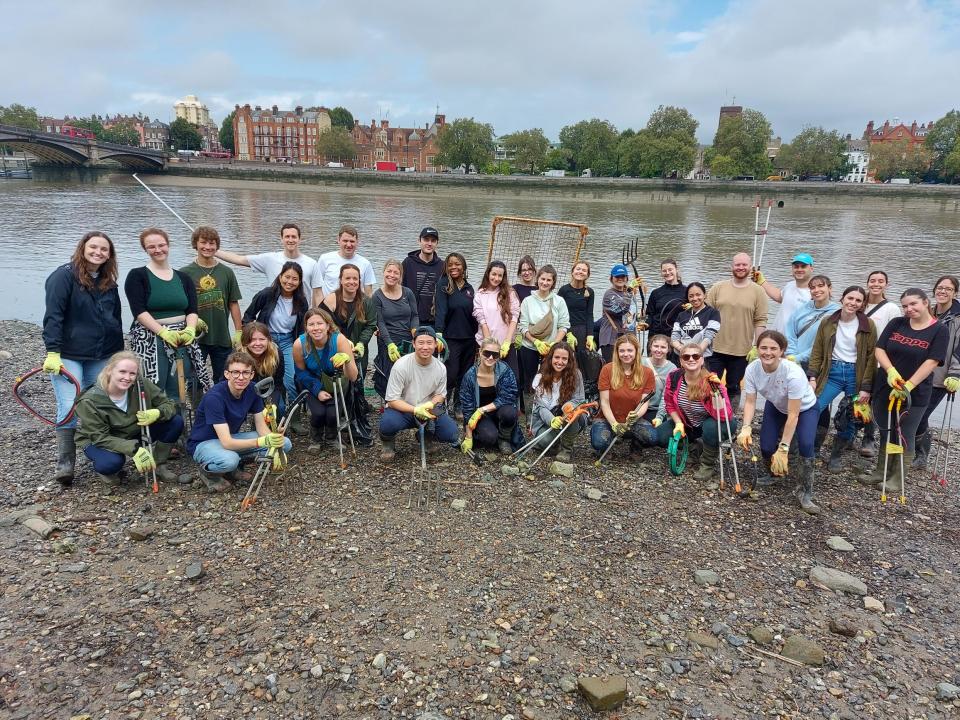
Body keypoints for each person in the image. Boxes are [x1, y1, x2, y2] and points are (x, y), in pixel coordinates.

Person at [42, 231, 124, 486]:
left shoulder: (109, 282)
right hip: (69, 354)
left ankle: (100, 455)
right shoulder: (63, 276)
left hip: (101, 354)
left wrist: (119, 355)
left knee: (97, 404)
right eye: (93, 247)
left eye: (104, 249)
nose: (98, 252)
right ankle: (65, 462)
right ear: (83, 248)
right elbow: (53, 315)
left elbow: (116, 319)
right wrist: (53, 351)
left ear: (109, 255)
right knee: (69, 404)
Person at [859, 288, 950, 492]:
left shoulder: (939, 330)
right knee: (885, 430)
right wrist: (891, 371)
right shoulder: (897, 323)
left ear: (926, 303)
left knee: (904, 433)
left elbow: (932, 361)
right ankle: (881, 471)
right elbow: (879, 349)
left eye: (913, 304)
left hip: (914, 393)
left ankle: (897, 477)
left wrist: (908, 386)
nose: (909, 309)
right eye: (905, 305)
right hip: (885, 387)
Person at [125, 227, 211, 403]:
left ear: (168, 245)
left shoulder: (183, 278)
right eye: (151, 247)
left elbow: (192, 310)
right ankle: (152, 426)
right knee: (154, 387)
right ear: (145, 249)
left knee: (178, 387)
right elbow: (139, 311)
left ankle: (177, 427)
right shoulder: (137, 275)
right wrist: (162, 332)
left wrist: (190, 330)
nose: (157, 250)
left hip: (181, 338)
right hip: (151, 338)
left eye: (161, 245)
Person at [75, 351, 184, 489]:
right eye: (122, 372)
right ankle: (105, 469)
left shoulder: (141, 385)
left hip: (133, 430)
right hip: (100, 440)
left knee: (175, 422)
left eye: (132, 373)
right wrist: (135, 449)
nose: (127, 377)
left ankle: (158, 464)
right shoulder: (89, 400)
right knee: (111, 463)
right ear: (109, 371)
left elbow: (169, 404)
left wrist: (158, 412)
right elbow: (99, 437)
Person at [739, 331, 821, 513]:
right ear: (757, 349)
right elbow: (750, 401)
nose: (768, 353)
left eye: (773, 349)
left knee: (807, 445)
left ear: (782, 351)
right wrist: (746, 427)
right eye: (763, 348)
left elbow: (793, 415)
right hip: (776, 404)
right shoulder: (752, 369)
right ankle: (774, 473)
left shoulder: (793, 372)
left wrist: (784, 446)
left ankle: (805, 493)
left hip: (804, 408)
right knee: (767, 446)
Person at [187, 351, 293, 492]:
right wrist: (261, 443)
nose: (241, 377)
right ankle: (209, 474)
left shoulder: (252, 390)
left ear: (252, 375)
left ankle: (233, 470)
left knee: (284, 443)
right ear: (227, 374)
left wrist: (273, 442)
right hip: (204, 443)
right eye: (235, 372)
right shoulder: (214, 397)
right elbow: (227, 442)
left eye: (245, 373)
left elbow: (261, 428)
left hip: (230, 439)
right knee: (229, 460)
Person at [806, 285, 877, 473]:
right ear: (842, 299)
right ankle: (811, 449)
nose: (853, 303)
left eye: (858, 300)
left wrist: (866, 387)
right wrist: (812, 376)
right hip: (832, 372)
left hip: (856, 374)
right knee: (814, 407)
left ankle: (836, 455)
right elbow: (817, 351)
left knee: (850, 416)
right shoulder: (828, 321)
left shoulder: (868, 325)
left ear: (862, 304)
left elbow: (872, 357)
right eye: (850, 298)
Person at [657, 344, 737, 483]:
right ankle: (694, 448)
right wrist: (678, 423)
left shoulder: (712, 381)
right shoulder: (674, 377)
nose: (691, 359)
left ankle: (707, 464)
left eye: (696, 356)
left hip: (713, 423)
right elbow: (669, 404)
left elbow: (724, 416)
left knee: (712, 428)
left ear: (702, 360)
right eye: (686, 356)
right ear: (681, 361)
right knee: (660, 436)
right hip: (687, 423)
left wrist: (715, 395)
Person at [242, 261, 309, 424]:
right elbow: (248, 317)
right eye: (287, 277)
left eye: (295, 279)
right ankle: (264, 415)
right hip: (267, 339)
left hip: (288, 341)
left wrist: (302, 347)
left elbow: (302, 328)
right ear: (280, 277)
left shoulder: (301, 301)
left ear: (299, 282)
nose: (290, 282)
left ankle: (294, 419)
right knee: (266, 376)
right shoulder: (266, 294)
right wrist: (252, 337)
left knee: (292, 379)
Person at [380, 326, 459, 461]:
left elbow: (440, 395)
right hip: (404, 409)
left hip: (427, 410)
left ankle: (426, 435)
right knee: (387, 424)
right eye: (421, 343)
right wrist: (416, 409)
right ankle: (388, 442)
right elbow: (392, 400)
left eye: (429, 343)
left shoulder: (440, 368)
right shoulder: (401, 366)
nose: (425, 347)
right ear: (414, 344)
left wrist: (429, 405)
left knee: (451, 434)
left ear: (435, 344)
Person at [321, 263, 378, 445]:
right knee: (339, 385)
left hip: (358, 351)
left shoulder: (366, 301)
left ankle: (356, 423)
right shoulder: (331, 299)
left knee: (356, 386)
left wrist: (362, 343)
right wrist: (342, 340)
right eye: (348, 278)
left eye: (355, 278)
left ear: (359, 280)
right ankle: (334, 423)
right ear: (341, 280)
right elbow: (322, 323)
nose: (352, 282)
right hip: (336, 350)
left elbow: (371, 325)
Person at [179, 225, 242, 381]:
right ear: (196, 244)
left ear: (217, 246)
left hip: (221, 336)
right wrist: (189, 322)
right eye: (203, 242)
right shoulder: (184, 273)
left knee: (224, 378)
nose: (207, 247)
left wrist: (238, 332)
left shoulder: (227, 272)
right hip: (195, 337)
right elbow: (180, 305)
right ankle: (196, 404)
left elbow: (233, 303)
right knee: (194, 379)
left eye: (212, 243)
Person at [293, 308, 360, 451]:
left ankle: (331, 438)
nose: (316, 328)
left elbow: (353, 376)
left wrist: (347, 361)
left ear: (328, 325)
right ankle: (315, 438)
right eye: (311, 324)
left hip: (336, 381)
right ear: (306, 327)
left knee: (332, 414)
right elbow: (301, 373)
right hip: (311, 382)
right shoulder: (299, 344)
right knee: (318, 413)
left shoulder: (340, 340)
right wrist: (317, 391)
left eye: (320, 323)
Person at [706, 252, 768, 404]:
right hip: (715, 348)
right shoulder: (718, 287)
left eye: (744, 265)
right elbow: (705, 314)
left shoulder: (758, 291)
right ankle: (707, 416)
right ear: (731, 267)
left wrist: (757, 346)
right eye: (737, 265)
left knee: (733, 386)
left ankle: (730, 417)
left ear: (750, 267)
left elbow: (760, 321)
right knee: (708, 385)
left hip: (742, 351)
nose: (741, 268)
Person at [912, 276, 960, 468]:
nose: (943, 291)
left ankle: (921, 455)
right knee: (911, 412)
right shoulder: (927, 312)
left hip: (940, 375)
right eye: (940, 287)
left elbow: (959, 349)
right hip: (917, 373)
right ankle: (912, 450)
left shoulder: (958, 318)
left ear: (955, 293)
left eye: (948, 289)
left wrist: (955, 375)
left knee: (921, 414)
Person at [859, 270, 903, 458]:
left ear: (887, 284)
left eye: (881, 281)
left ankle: (869, 437)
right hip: (858, 359)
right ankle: (850, 432)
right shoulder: (860, 303)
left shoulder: (891, 308)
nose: (876, 284)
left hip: (878, 362)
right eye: (872, 280)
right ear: (867, 283)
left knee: (873, 400)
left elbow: (895, 336)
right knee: (856, 398)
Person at [591, 334, 656, 458]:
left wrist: (636, 416)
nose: (626, 354)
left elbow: (644, 402)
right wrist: (614, 423)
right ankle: (606, 445)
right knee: (599, 442)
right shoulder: (607, 369)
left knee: (652, 437)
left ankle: (635, 446)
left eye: (630, 350)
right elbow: (604, 402)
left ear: (637, 351)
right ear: (617, 352)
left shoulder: (647, 373)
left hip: (632, 420)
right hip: (607, 419)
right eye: (622, 351)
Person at [518, 265, 571, 415]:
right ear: (537, 279)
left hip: (551, 348)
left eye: (549, 280)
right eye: (542, 279)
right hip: (529, 346)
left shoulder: (559, 301)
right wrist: (535, 342)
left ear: (553, 282)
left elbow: (563, 325)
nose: (545, 282)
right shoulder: (528, 301)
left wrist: (555, 343)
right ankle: (529, 413)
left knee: (549, 377)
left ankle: (548, 410)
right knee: (528, 380)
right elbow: (523, 326)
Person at [216, 222, 317, 300]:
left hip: (301, 318)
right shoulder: (270, 259)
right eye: (287, 237)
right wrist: (212, 251)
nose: (290, 240)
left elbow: (317, 294)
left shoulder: (312, 264)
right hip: (274, 319)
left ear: (300, 239)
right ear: (281, 239)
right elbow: (238, 259)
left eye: (294, 237)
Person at [460, 337, 521, 455]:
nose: (491, 357)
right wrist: (468, 436)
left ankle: (504, 438)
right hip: (479, 417)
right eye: (487, 353)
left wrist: (482, 409)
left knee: (510, 412)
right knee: (489, 438)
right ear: (480, 352)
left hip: (498, 410)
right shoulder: (470, 376)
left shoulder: (504, 370)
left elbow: (508, 397)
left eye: (495, 355)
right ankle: (484, 433)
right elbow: (467, 408)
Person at [434, 252, 477, 414]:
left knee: (465, 374)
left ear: (464, 266)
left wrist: (478, 339)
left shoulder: (469, 288)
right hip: (450, 337)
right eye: (450, 264)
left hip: (469, 338)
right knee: (450, 373)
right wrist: (438, 333)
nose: (454, 267)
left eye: (457, 264)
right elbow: (441, 309)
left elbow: (474, 314)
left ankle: (458, 404)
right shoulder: (444, 284)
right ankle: (442, 401)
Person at [529, 342, 587, 462]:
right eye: (557, 357)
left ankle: (566, 449)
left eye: (564, 358)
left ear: (569, 360)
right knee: (545, 441)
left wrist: (569, 407)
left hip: (567, 416)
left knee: (571, 410)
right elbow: (540, 407)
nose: (560, 362)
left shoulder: (576, 374)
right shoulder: (540, 376)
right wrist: (551, 420)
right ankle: (556, 442)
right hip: (545, 419)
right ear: (551, 358)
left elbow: (580, 399)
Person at [373, 259, 419, 399]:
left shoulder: (408, 293)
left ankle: (409, 401)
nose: (392, 275)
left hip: (408, 339)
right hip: (388, 340)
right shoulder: (377, 296)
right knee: (390, 375)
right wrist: (389, 344)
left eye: (396, 273)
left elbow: (414, 315)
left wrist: (415, 332)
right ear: (384, 272)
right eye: (389, 271)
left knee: (409, 375)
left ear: (400, 276)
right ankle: (390, 402)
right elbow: (380, 322)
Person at [473, 260, 521, 379]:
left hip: (506, 345)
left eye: (500, 275)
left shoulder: (510, 293)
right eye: (494, 274)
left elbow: (514, 317)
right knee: (488, 379)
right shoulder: (480, 294)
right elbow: (482, 320)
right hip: (487, 345)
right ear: (488, 274)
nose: (496, 278)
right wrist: (489, 344)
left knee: (512, 378)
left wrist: (507, 342)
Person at [311, 225, 376, 305]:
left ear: (357, 242)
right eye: (345, 241)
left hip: (355, 309)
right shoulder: (325, 259)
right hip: (329, 308)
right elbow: (317, 290)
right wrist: (317, 311)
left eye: (352, 241)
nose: (349, 245)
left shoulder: (365, 263)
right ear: (338, 240)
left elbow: (368, 293)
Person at [785, 275, 840, 366]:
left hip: (816, 365)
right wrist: (791, 355)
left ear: (830, 288)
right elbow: (790, 333)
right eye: (812, 288)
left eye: (821, 286)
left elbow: (824, 343)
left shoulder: (836, 313)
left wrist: (799, 358)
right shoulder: (802, 308)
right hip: (792, 361)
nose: (816, 290)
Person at [754, 253, 814, 334]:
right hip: (777, 340)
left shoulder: (815, 294)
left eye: (803, 266)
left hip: (795, 344)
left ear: (811, 268)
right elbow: (780, 297)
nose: (799, 269)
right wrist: (762, 282)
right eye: (796, 267)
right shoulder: (790, 285)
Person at [557, 261, 597, 366]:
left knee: (580, 361)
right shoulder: (564, 290)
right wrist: (568, 332)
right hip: (565, 328)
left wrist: (590, 335)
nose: (580, 272)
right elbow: (558, 314)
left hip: (582, 329)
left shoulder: (590, 292)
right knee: (565, 358)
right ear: (572, 272)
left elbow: (589, 314)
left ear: (587, 275)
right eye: (578, 269)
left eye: (584, 270)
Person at [402, 227, 444, 325]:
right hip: (410, 319)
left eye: (433, 241)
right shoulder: (408, 263)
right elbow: (397, 288)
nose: (429, 243)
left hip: (433, 320)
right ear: (419, 241)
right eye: (426, 240)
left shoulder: (442, 266)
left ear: (437, 243)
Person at [670, 282, 721, 361]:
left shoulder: (713, 313)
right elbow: (674, 337)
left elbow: (709, 337)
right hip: (682, 356)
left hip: (702, 358)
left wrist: (696, 354)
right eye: (691, 296)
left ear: (705, 295)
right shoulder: (681, 315)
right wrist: (682, 350)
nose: (695, 298)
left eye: (698, 295)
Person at [240, 322, 285, 407]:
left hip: (269, 389)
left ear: (268, 340)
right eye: (252, 340)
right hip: (244, 390)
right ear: (245, 341)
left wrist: (273, 403)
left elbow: (278, 382)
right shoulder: (237, 356)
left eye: (262, 339)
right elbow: (226, 382)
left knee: (279, 408)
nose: (258, 343)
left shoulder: (276, 354)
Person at [599, 264, 637, 363]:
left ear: (626, 278)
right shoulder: (609, 294)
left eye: (623, 276)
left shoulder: (629, 294)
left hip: (628, 337)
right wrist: (629, 291)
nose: (620, 279)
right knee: (612, 370)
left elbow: (630, 313)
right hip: (611, 338)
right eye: (617, 276)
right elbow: (620, 310)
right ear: (611, 278)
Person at [645, 259, 687, 339]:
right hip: (656, 336)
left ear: (676, 270)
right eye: (664, 271)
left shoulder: (687, 292)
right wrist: (645, 325)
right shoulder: (656, 293)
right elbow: (650, 315)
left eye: (670, 270)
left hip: (678, 337)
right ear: (661, 273)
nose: (667, 273)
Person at [643, 334, 677, 427]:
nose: (659, 350)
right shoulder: (641, 363)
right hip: (640, 407)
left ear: (668, 349)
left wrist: (659, 417)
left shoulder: (672, 368)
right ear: (650, 347)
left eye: (663, 347)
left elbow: (666, 395)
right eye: (656, 346)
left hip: (657, 409)